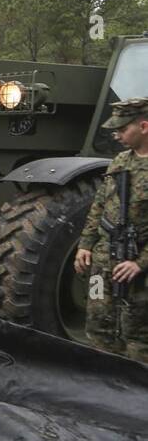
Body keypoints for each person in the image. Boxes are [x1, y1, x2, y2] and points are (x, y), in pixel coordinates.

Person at [75, 97, 148, 361]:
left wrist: (140, 263)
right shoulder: (119, 161)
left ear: (144, 126)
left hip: (136, 268)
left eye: (123, 128)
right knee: (97, 324)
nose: (117, 134)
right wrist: (85, 245)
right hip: (103, 263)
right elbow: (99, 205)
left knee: (137, 333)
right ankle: (103, 383)